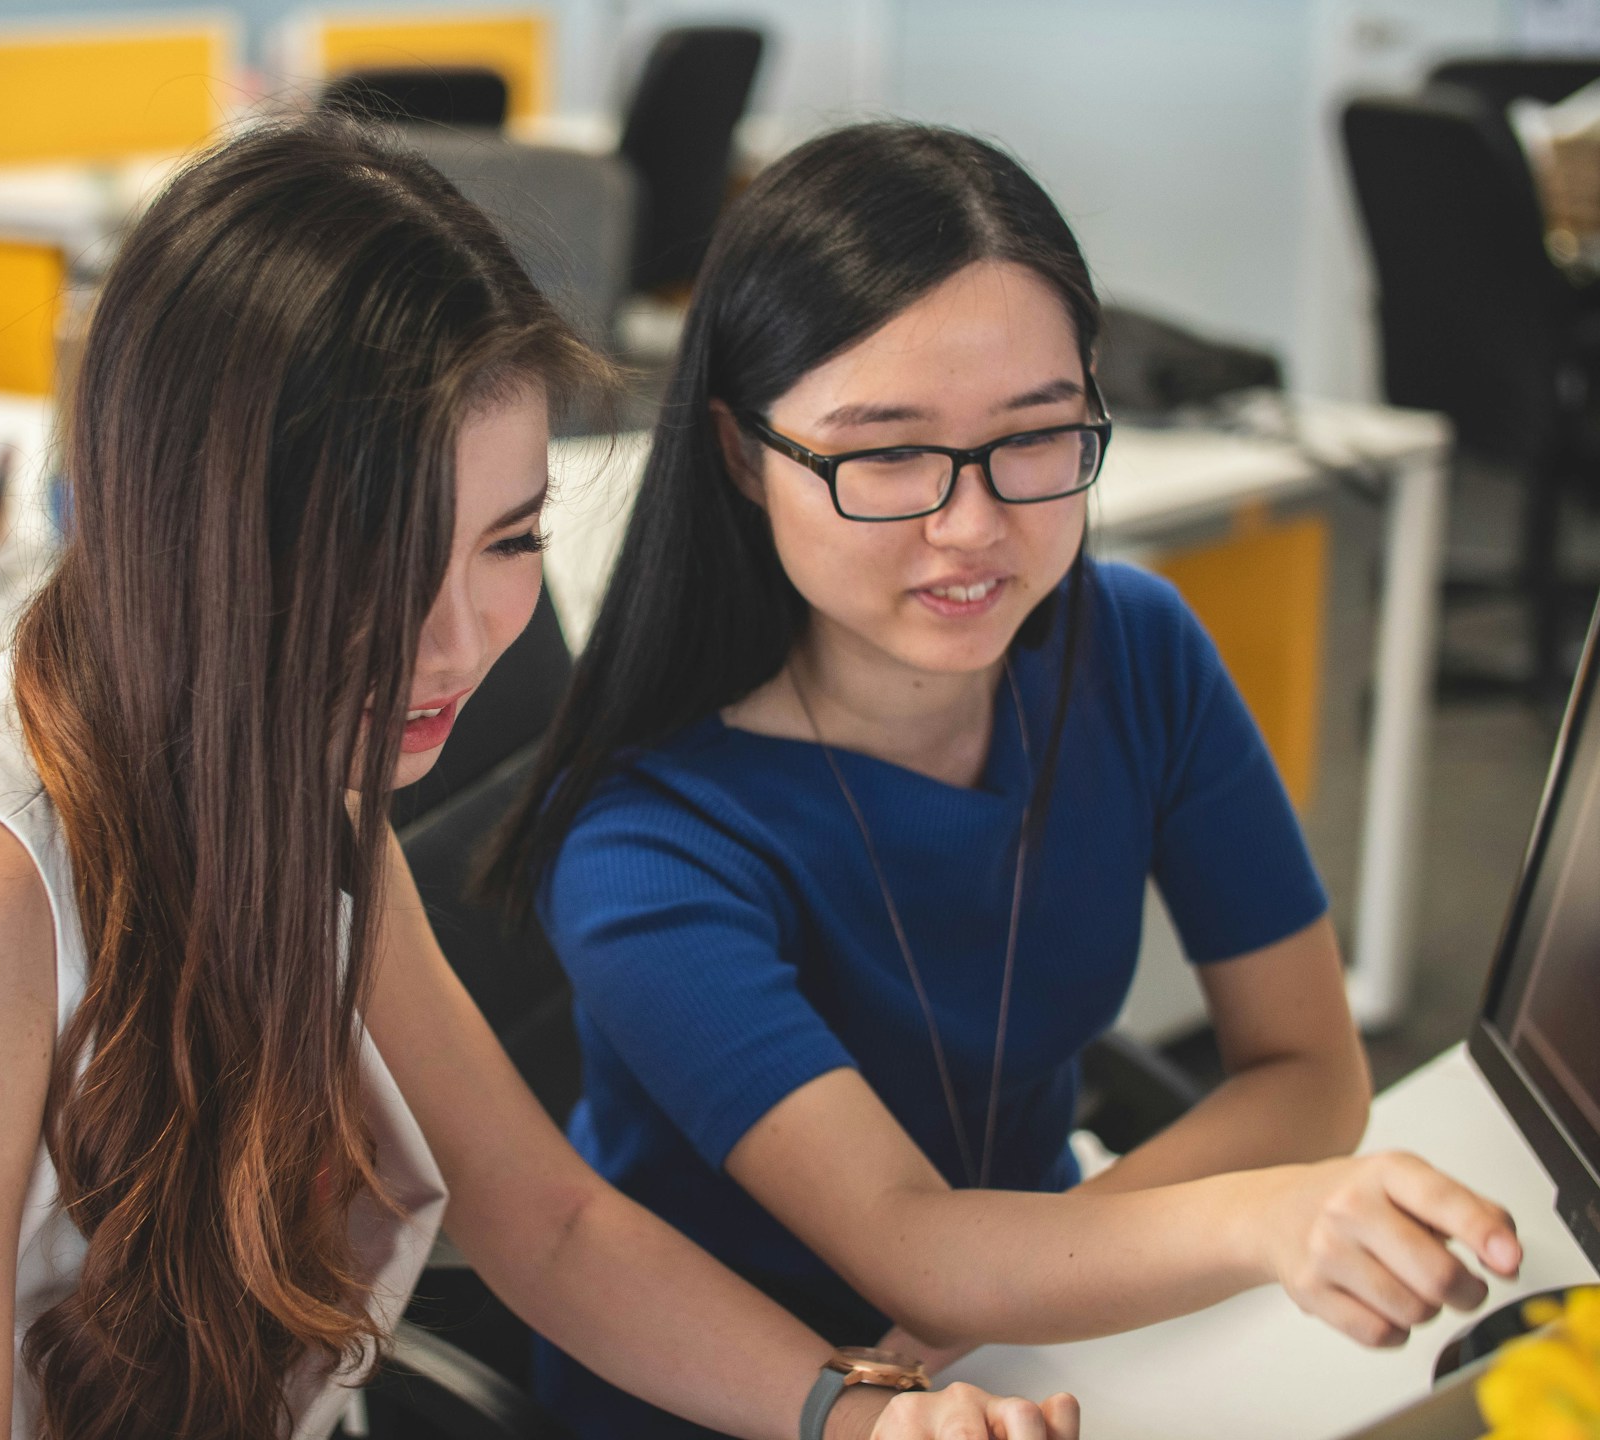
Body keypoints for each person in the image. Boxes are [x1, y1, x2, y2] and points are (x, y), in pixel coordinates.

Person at [0, 116, 1079, 1440]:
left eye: (509, 540)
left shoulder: (299, 767)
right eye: (384, 555)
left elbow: (549, 1222)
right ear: (201, 529)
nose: (461, 641)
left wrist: (861, 1415)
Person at [485, 121, 1524, 1439]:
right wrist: (1244, 1218)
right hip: (757, 1399)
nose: (972, 526)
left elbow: (1312, 1069)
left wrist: (1035, 1276)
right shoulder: (649, 844)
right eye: (889, 453)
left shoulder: (1132, 647)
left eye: (1036, 436)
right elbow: (907, 1248)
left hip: (1037, 1332)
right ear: (745, 455)